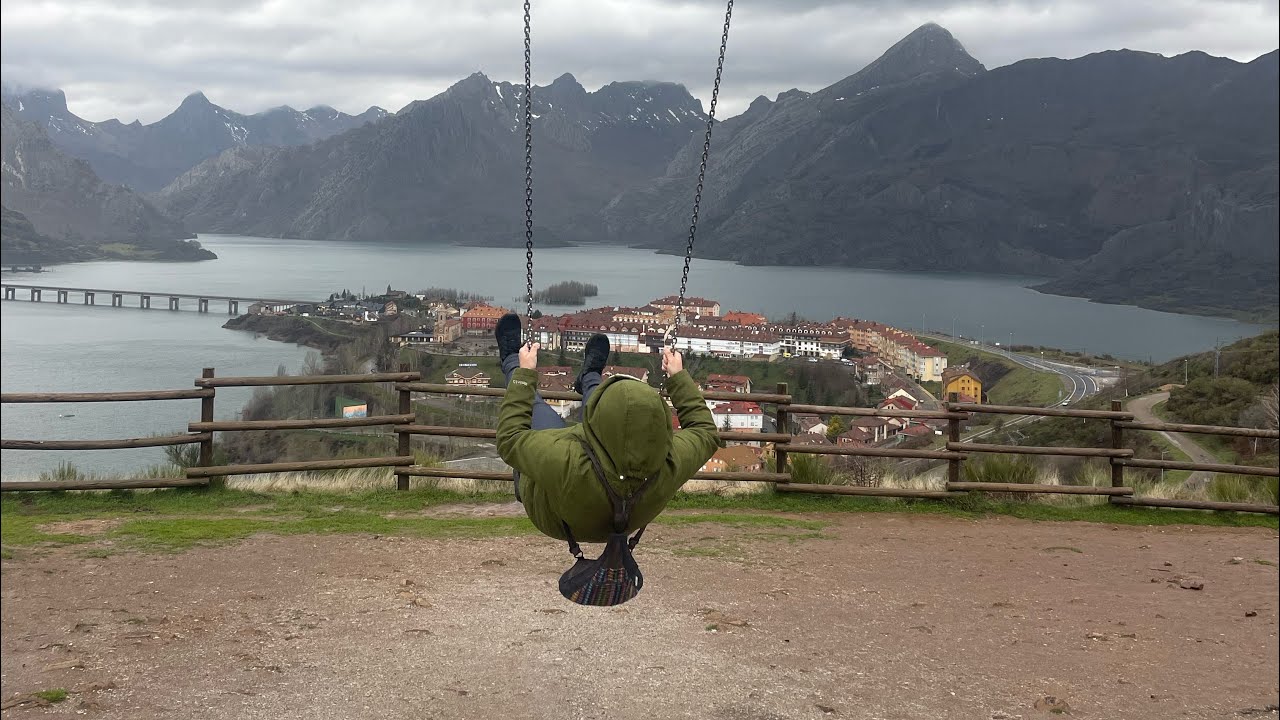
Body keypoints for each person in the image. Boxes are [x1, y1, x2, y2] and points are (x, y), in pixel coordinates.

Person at [493, 312, 722, 604]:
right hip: (615, 518)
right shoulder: (669, 461)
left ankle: (510, 360)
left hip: (552, 514)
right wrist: (678, 377)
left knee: (536, 408)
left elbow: (510, 438)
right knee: (592, 398)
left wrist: (525, 372)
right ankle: (589, 378)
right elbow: (705, 431)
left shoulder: (565, 459)